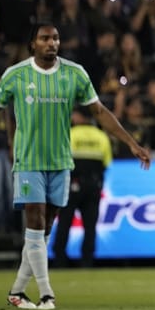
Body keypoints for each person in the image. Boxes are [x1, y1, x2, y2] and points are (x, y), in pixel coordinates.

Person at [0, 23, 151, 310]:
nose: (52, 43)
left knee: (44, 230)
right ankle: (47, 293)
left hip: (61, 162)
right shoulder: (16, 75)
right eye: (45, 38)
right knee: (36, 221)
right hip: (28, 161)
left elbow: (99, 112)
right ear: (33, 44)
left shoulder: (75, 74)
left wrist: (130, 142)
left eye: (55, 38)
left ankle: (16, 291)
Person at [51, 109, 113, 267]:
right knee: (90, 225)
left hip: (72, 184)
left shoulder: (70, 134)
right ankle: (87, 260)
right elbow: (107, 162)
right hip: (93, 186)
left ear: (79, 117)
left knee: (64, 222)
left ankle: (59, 259)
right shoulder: (101, 137)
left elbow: (60, 159)